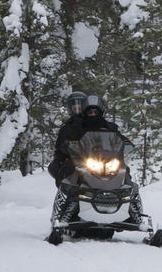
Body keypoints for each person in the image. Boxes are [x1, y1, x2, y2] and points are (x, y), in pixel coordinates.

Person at [48, 93, 126, 222]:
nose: (93, 114)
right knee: (70, 177)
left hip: (106, 160)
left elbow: (119, 140)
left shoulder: (109, 126)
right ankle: (62, 212)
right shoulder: (74, 126)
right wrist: (67, 146)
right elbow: (62, 146)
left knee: (124, 172)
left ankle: (133, 210)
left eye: (96, 111)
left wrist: (125, 144)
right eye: (90, 111)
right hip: (82, 160)